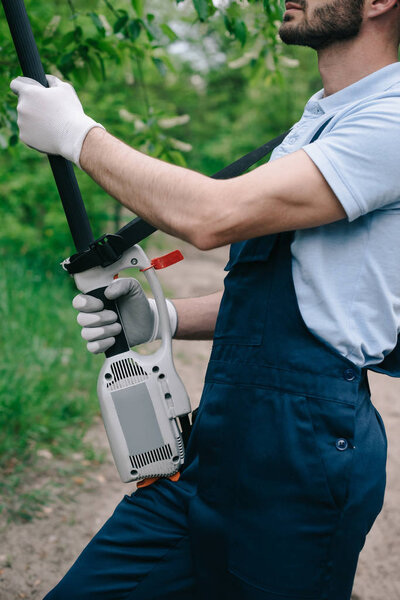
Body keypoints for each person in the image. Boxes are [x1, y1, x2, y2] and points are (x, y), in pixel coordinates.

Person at [10, 0, 400, 598]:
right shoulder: (318, 122)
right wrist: (162, 317)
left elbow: (213, 215)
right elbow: (292, 303)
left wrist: (77, 136)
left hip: (304, 461)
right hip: (212, 451)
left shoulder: (391, 122)